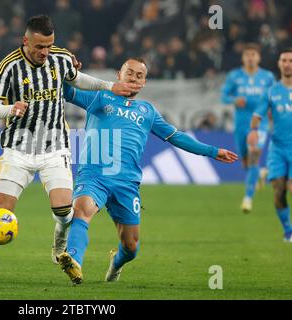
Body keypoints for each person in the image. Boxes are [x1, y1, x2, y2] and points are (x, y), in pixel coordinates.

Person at [0, 15, 140, 283]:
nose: (44, 52)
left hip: (55, 147)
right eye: (39, 47)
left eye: (49, 45)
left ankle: (59, 240)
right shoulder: (8, 67)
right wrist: (10, 108)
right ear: (26, 41)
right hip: (18, 148)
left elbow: (79, 80)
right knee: (2, 212)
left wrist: (110, 86)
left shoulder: (60, 58)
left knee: (63, 209)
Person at [58, 57, 238, 284]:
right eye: (129, 72)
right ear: (118, 74)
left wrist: (212, 151)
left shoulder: (148, 111)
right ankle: (74, 260)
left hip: (126, 182)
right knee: (81, 209)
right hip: (94, 173)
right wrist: (65, 71)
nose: (133, 78)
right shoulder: (100, 96)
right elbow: (65, 92)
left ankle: (116, 263)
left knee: (131, 247)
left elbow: (176, 136)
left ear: (144, 82)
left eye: (139, 75)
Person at [221, 43, 275, 213]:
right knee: (246, 162)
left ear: (259, 57)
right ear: (243, 57)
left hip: (260, 124)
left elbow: (274, 97)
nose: (250, 58)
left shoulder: (268, 77)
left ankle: (248, 198)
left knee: (253, 156)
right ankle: (259, 174)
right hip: (241, 125)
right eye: (247, 55)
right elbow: (224, 96)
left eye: (253, 54)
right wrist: (234, 100)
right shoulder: (234, 76)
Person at [248, 48, 292, 242]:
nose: (287, 64)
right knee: (279, 190)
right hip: (278, 148)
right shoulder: (272, 91)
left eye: (291, 60)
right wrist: (253, 131)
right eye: (284, 60)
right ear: (279, 64)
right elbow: (257, 115)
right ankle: (288, 231)